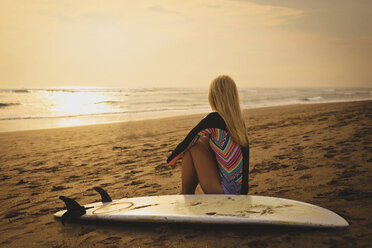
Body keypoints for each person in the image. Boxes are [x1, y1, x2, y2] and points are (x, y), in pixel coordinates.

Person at [166, 75, 249, 195]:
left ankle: (185, 192)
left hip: (225, 192)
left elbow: (189, 140)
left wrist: (172, 158)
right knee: (205, 140)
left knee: (194, 145)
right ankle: (186, 192)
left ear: (213, 97)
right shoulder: (237, 122)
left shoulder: (214, 119)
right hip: (240, 191)